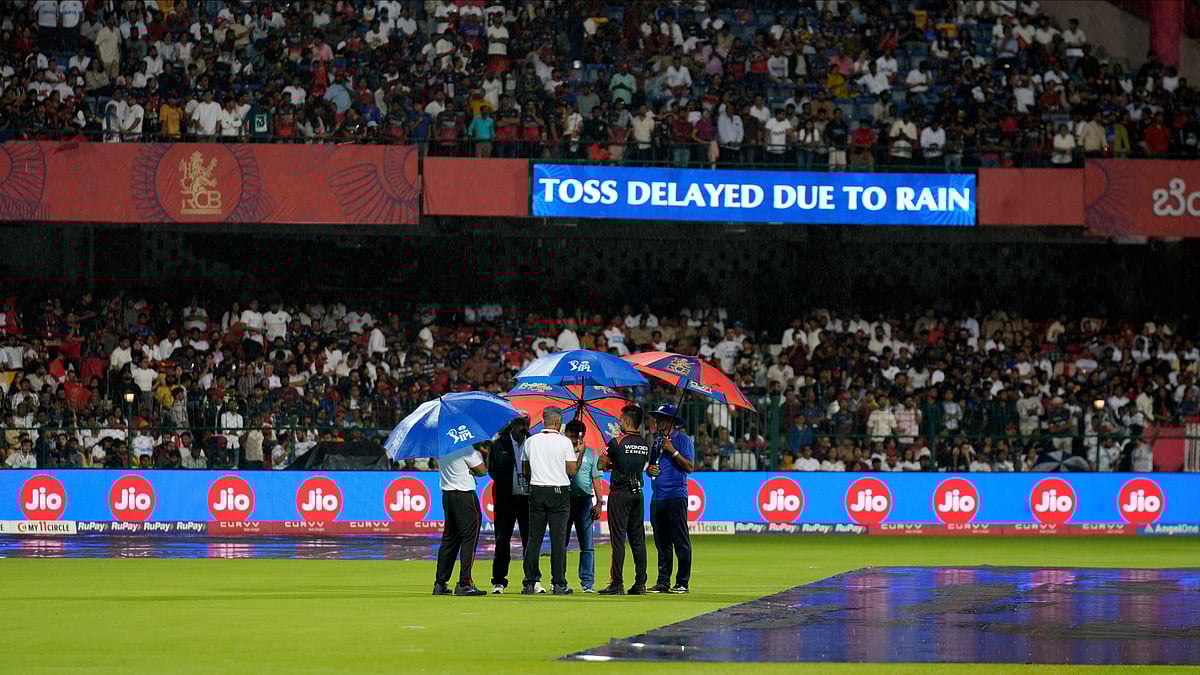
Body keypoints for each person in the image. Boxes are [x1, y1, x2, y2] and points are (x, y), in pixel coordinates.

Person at [521, 407, 577, 595]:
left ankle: (529, 582)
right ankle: (559, 583)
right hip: (558, 492)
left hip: (537, 490)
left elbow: (525, 469)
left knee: (533, 539)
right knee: (558, 540)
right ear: (558, 423)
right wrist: (579, 453)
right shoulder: (565, 442)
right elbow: (572, 470)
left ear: (544, 421)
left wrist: (536, 479)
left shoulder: (530, 441)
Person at [597, 405, 651, 595]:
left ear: (627, 421)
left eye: (621, 419)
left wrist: (609, 462)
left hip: (619, 493)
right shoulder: (644, 444)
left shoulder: (617, 441)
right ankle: (640, 583)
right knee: (638, 540)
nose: (619, 423)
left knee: (618, 539)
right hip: (638, 493)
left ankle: (617, 583)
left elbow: (600, 464)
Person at [647, 404, 695, 594]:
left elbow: (690, 467)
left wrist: (673, 451)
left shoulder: (683, 440)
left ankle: (682, 582)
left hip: (676, 496)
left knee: (680, 540)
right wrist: (649, 470)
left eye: (661, 418)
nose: (657, 421)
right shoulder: (657, 442)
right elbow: (651, 467)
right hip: (658, 497)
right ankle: (663, 581)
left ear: (671, 421)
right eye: (657, 418)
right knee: (662, 542)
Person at [432, 441, 489, 597]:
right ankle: (465, 582)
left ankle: (440, 583)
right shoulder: (465, 448)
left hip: (448, 495)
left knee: (449, 540)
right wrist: (482, 454)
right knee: (469, 539)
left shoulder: (441, 447)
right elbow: (483, 470)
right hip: (464, 495)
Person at [486, 414, 532, 593]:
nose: (523, 427)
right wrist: (507, 483)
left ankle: (531, 579)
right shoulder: (499, 444)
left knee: (530, 541)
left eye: (526, 423)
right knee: (502, 540)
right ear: (512, 425)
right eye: (520, 423)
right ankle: (498, 581)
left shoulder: (532, 442)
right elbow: (492, 470)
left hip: (528, 498)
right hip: (506, 499)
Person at [563, 419, 603, 593]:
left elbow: (595, 478)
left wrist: (600, 502)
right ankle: (558, 580)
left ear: (582, 434)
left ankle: (587, 582)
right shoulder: (561, 450)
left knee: (587, 544)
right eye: (570, 430)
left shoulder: (592, 453)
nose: (573, 433)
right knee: (560, 543)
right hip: (564, 500)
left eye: (577, 431)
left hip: (585, 500)